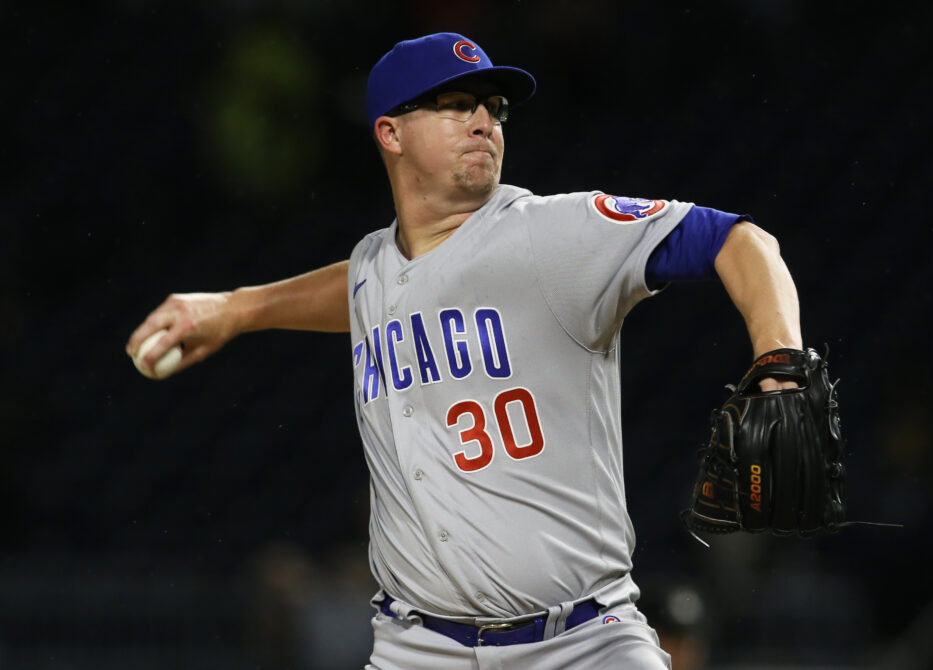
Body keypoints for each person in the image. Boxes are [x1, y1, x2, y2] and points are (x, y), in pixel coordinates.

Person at [127, 32, 801, 670]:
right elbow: (365, 287)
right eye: (455, 105)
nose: (483, 121)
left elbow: (739, 242)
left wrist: (780, 365)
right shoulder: (373, 265)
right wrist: (237, 309)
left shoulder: (551, 234)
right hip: (418, 646)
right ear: (390, 132)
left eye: (493, 108)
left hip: (581, 642)